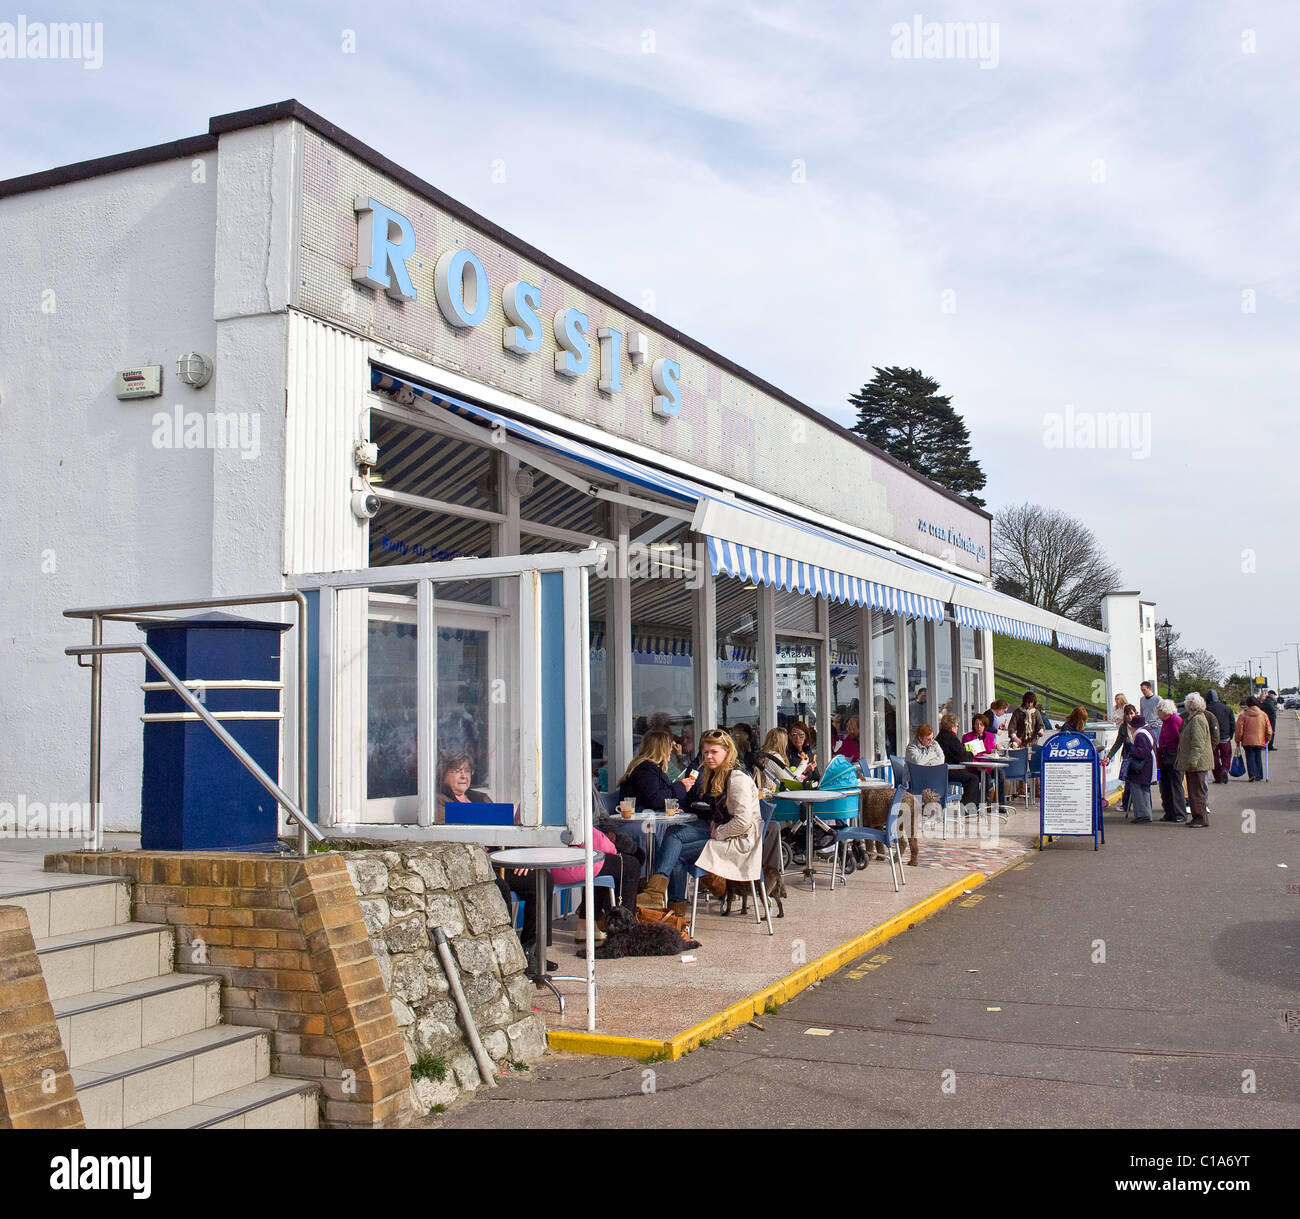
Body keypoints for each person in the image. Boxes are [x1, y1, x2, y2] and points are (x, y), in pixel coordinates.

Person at [641, 729, 760, 916]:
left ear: (727, 752)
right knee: (674, 833)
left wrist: (717, 832)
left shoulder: (737, 779)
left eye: (714, 752)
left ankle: (669, 906)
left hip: (738, 841)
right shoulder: (715, 774)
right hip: (719, 829)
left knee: (676, 851)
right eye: (706, 753)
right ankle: (664, 901)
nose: (709, 757)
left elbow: (742, 822)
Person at [617, 729, 696, 811]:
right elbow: (655, 799)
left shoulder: (649, 768)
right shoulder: (645, 770)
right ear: (662, 749)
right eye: (669, 747)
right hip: (642, 820)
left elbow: (655, 798)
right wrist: (682, 786)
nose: (671, 750)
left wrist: (672, 808)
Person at [1176, 692, 1214, 828]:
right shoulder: (1196, 718)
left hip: (1197, 763)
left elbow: (1198, 743)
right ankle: (1197, 816)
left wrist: (1192, 761)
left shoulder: (1197, 720)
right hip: (1196, 762)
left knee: (1197, 791)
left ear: (1190, 706)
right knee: (1194, 791)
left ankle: (1200, 818)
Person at [937, 712, 982, 812]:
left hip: (942, 770)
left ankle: (974, 805)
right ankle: (966, 807)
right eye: (957, 726)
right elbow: (962, 756)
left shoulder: (941, 736)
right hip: (949, 770)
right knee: (973, 779)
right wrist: (971, 754)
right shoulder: (950, 738)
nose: (957, 728)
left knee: (973, 777)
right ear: (952, 726)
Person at [1156, 699, 1186, 821]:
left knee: (1175, 785)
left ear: (1164, 711)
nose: (1157, 713)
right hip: (1165, 756)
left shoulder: (1174, 721)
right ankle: (1169, 812)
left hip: (1173, 756)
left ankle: (1179, 814)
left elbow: (1180, 740)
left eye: (1159, 710)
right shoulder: (1166, 721)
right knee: (1165, 786)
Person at [1126, 706, 1157, 823]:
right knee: (1144, 790)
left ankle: (1143, 815)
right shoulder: (1147, 731)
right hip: (1148, 767)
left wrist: (1131, 749)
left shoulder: (1141, 735)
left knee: (1139, 791)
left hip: (1142, 768)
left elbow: (1142, 752)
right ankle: (1146, 813)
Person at [1234, 696, 1272, 782]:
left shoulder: (1243, 715)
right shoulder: (1263, 714)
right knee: (1258, 757)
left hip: (1247, 740)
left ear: (1247, 704)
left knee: (1250, 757)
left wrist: (1237, 740)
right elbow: (1268, 728)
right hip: (1260, 739)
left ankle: (1252, 775)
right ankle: (1259, 775)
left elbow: (1239, 729)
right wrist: (1268, 738)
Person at [1107, 703, 1135, 813]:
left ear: (1135, 713)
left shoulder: (1140, 725)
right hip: (1127, 756)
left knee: (1139, 783)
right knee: (1127, 782)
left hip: (1138, 755)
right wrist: (1109, 756)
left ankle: (1141, 807)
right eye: (1127, 714)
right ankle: (1125, 804)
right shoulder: (1123, 727)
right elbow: (1118, 743)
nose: (1129, 717)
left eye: (1131, 714)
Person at [1204, 689, 1235, 783]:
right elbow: (1232, 723)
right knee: (1226, 755)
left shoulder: (1207, 709)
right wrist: (1231, 734)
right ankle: (1225, 769)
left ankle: (1218, 777)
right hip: (1225, 736)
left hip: (1212, 737)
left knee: (1214, 757)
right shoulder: (1227, 708)